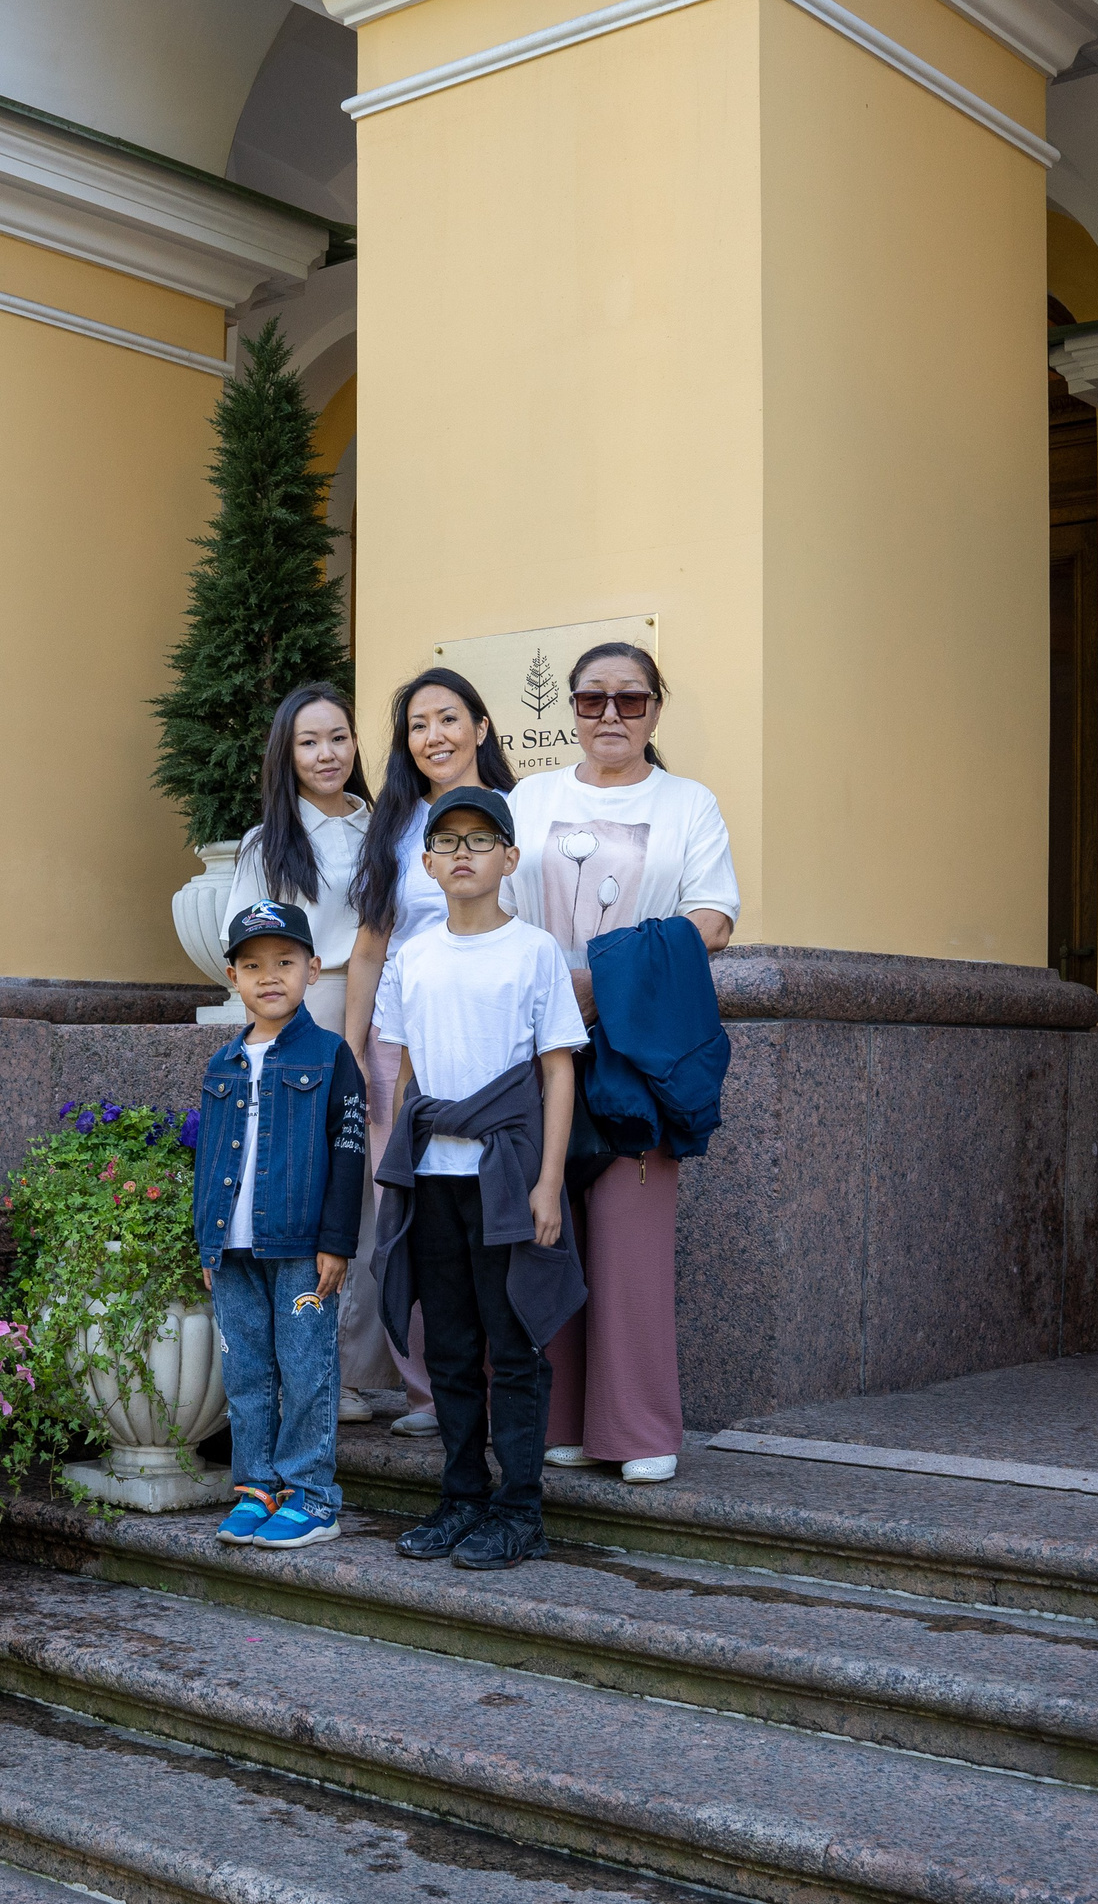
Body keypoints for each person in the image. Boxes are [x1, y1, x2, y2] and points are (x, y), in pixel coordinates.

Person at [506, 642, 737, 1486]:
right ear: (570, 707)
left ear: (655, 709)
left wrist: (602, 979)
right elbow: (494, 899)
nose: (610, 714)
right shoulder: (531, 798)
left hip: (640, 1042)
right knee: (550, 1228)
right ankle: (563, 1418)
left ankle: (637, 1427)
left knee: (629, 1233)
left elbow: (714, 918)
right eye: (592, 698)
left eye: (630, 699)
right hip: (537, 1034)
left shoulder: (687, 803)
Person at [368, 787, 588, 1570]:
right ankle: (461, 1496)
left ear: (510, 857)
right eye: (448, 841)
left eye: (481, 839)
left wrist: (548, 1182)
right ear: (427, 864)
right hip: (434, 1178)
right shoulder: (413, 956)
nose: (463, 853)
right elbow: (406, 1070)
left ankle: (520, 1508)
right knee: (452, 1346)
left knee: (514, 1339)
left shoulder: (533, 951)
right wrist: (398, 1171)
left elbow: (556, 1071)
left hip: (507, 1177)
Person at [343, 668, 516, 1437]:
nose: (434, 736)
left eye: (448, 718)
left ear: (480, 726)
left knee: (494, 1208)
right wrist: (354, 1048)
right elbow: (369, 949)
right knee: (408, 1211)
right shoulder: (397, 824)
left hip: (497, 1045)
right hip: (401, 1046)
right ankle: (429, 1391)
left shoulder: (521, 811)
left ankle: (504, 1387)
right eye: (418, 724)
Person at [222, 684, 384, 1421]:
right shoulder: (268, 842)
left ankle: (360, 1368)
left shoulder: (384, 825)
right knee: (303, 1181)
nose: (327, 754)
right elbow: (243, 945)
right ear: (286, 754)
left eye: (338, 737)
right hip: (304, 1007)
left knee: (368, 1186)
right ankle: (312, 1372)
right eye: (309, 741)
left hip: (382, 1006)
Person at [195, 901, 371, 1551]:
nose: (269, 976)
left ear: (313, 970)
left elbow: (349, 1153)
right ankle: (258, 1488)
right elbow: (209, 1157)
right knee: (245, 1373)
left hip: (301, 1247)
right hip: (232, 1247)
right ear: (233, 978)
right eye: (252, 965)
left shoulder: (330, 1055)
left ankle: (311, 1496)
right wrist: (207, 1240)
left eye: (285, 962)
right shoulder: (223, 1062)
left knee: (305, 1370)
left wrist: (336, 1242)